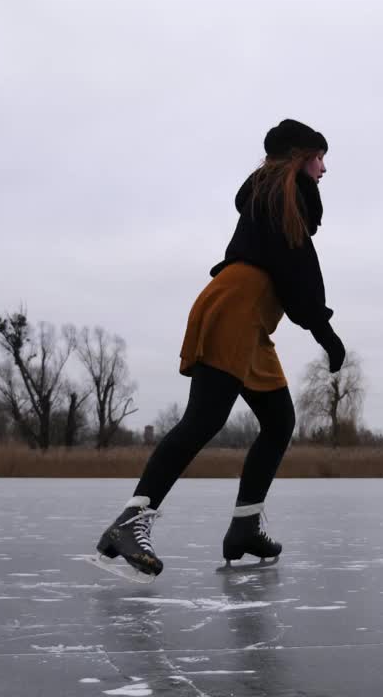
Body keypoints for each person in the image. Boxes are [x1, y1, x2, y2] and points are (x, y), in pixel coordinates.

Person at [92, 118, 347, 582]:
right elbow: (299, 272)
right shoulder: (282, 195)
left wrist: (318, 325)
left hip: (251, 319)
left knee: (278, 422)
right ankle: (131, 521)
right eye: (318, 157)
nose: (324, 168)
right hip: (236, 308)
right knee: (204, 419)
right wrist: (324, 331)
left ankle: (245, 527)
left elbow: (293, 273)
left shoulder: (279, 196)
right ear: (297, 157)